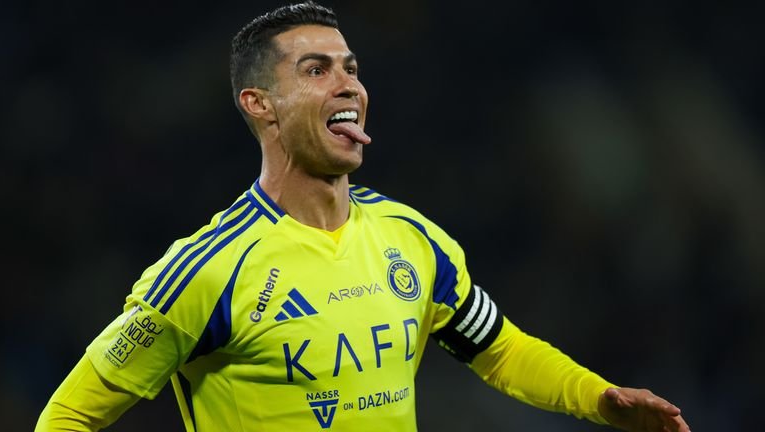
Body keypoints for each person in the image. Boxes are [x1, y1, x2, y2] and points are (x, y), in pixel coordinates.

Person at [36, 2, 690, 431]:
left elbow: (500, 350)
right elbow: (66, 417)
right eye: (316, 70)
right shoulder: (206, 273)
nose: (348, 84)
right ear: (260, 103)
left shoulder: (412, 238)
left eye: (351, 69)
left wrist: (598, 399)